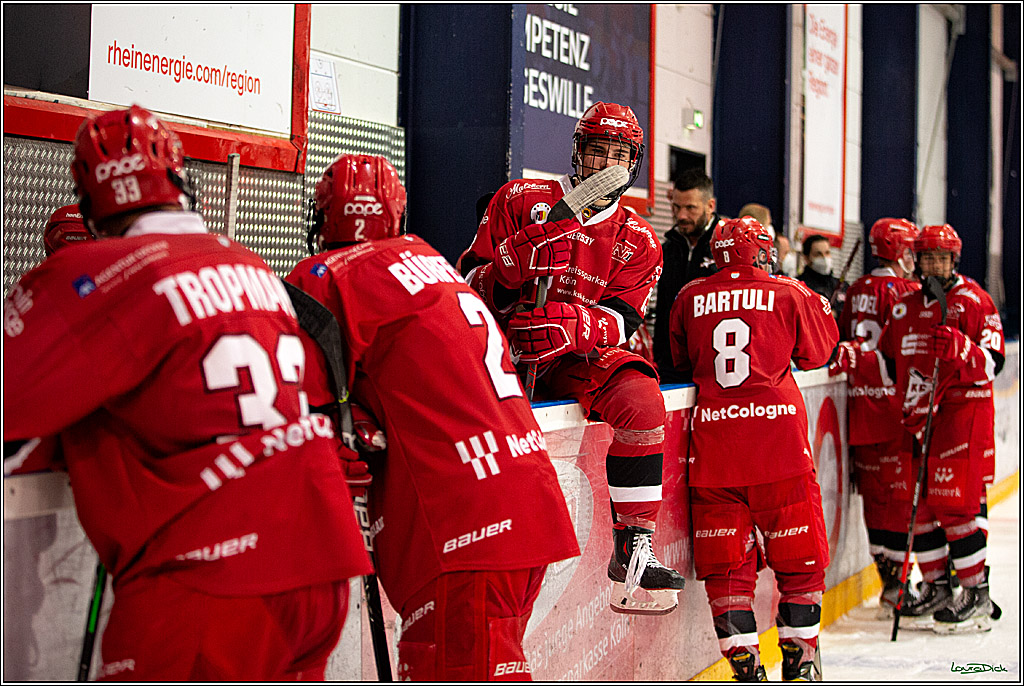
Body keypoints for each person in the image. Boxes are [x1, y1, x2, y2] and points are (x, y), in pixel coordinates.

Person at [3, 105, 372, 681]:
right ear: (179, 180)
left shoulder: (97, 272)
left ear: (90, 200)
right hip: (321, 571)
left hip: (211, 584)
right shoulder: (254, 268)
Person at [286, 153, 580, 680]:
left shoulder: (323, 277)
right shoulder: (430, 260)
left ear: (325, 218)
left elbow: (304, 410)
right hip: (527, 502)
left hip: (466, 530)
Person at [458, 101, 686, 615]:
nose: (606, 165)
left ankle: (633, 545)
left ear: (633, 165)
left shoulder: (640, 239)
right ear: (577, 152)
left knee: (642, 401)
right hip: (504, 350)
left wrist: (579, 324)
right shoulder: (521, 198)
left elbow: (624, 318)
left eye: (619, 155)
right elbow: (466, 288)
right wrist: (509, 269)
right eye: (597, 150)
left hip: (577, 357)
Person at [669, 216, 839, 681]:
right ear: (764, 251)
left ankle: (745, 669)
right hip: (780, 450)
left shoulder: (689, 296)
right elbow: (819, 354)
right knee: (801, 565)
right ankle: (801, 664)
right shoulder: (792, 292)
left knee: (727, 575)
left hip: (715, 454)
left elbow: (679, 360)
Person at [872, 224, 1004, 633]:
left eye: (940, 258)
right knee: (922, 508)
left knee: (955, 504)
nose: (932, 265)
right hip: (920, 418)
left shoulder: (974, 301)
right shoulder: (905, 307)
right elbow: (891, 362)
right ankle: (937, 587)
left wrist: (963, 350)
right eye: (926, 257)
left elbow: (994, 363)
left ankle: (975, 593)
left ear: (954, 260)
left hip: (962, 417)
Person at [830, 217, 924, 617]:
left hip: (860, 408)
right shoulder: (908, 292)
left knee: (875, 503)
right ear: (901, 252)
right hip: (895, 410)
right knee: (901, 504)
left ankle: (890, 582)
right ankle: (899, 586)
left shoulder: (855, 289)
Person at [652, 168, 721, 381]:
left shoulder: (727, 250)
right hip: (670, 367)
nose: (681, 216)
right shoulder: (667, 249)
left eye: (690, 208)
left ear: (710, 206)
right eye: (676, 207)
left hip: (714, 368)